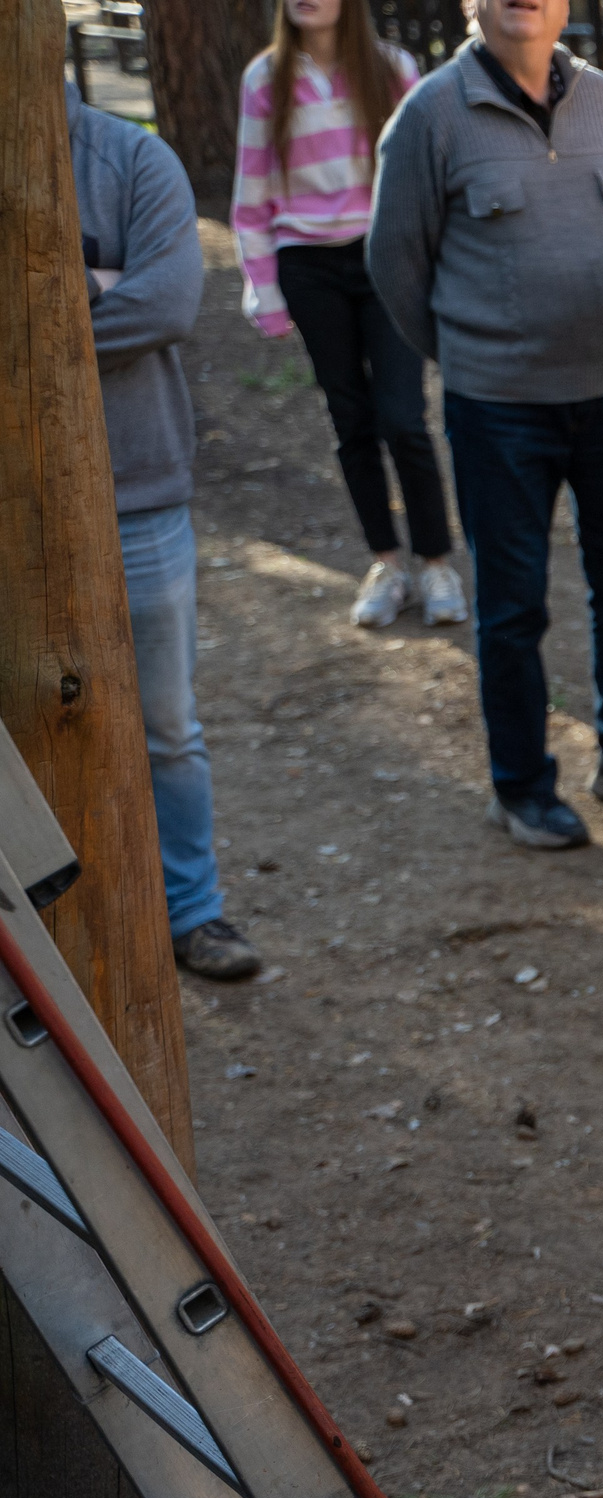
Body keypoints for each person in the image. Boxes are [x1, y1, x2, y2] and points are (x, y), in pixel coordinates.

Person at [369, 0, 603, 850]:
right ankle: (520, 786)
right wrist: (473, 351)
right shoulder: (430, 115)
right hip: (497, 408)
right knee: (511, 607)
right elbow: (393, 261)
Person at [69, 81, 264, 983]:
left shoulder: (133, 157)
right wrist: (91, 284)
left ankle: (193, 911)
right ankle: (52, 928)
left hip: (138, 493)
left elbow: (169, 304)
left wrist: (40, 305)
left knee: (166, 725)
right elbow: (129, 303)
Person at [231, 0, 457, 631]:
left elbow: (428, 176)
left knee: (402, 418)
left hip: (383, 257)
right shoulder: (263, 79)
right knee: (351, 420)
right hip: (307, 265)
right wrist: (266, 291)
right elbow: (251, 198)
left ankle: (437, 561)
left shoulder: (389, 68)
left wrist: (434, 267)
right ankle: (388, 563)